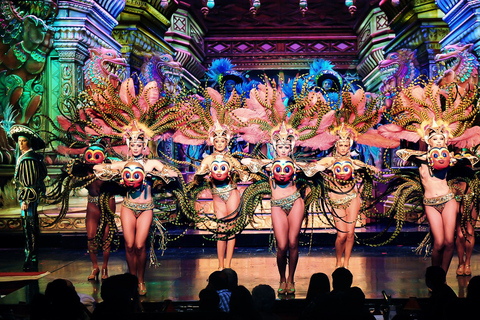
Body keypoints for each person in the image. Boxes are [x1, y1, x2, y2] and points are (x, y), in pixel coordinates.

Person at [94, 122, 178, 295]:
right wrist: (117, 174)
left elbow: (173, 174)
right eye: (132, 145)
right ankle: (132, 280)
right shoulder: (124, 165)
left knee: (140, 245)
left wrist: (154, 174)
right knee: (130, 245)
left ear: (144, 146)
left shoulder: (151, 164)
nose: (136, 148)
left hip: (146, 208)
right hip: (128, 207)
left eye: (139, 145)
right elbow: (97, 168)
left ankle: (141, 280)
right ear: (128, 146)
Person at [242, 123, 304, 295]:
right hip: (277, 204)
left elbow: (317, 168)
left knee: (293, 242)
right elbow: (246, 161)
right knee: (282, 246)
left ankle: (291, 278)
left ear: (290, 147)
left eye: (286, 146)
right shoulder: (269, 165)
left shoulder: (296, 165)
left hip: (295, 202)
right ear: (274, 146)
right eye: (280, 146)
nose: (283, 149)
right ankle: (281, 278)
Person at [194, 122, 244, 270]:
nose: (220, 143)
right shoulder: (208, 160)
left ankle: (228, 264)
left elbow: (243, 175)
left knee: (231, 229)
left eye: (223, 141)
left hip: (232, 193)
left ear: (227, 142)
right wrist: (205, 176)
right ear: (213, 142)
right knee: (221, 230)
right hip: (217, 196)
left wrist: (236, 174)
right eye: (217, 141)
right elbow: (198, 175)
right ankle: (220, 265)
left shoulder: (232, 160)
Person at [10, 125, 47, 271]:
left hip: (28, 198)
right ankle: (31, 255)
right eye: (19, 141)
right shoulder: (24, 157)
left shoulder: (28, 159)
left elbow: (29, 182)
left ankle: (31, 256)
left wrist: (25, 200)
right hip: (27, 197)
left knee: (29, 226)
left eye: (24, 141)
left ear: (29, 142)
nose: (21, 144)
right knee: (29, 225)